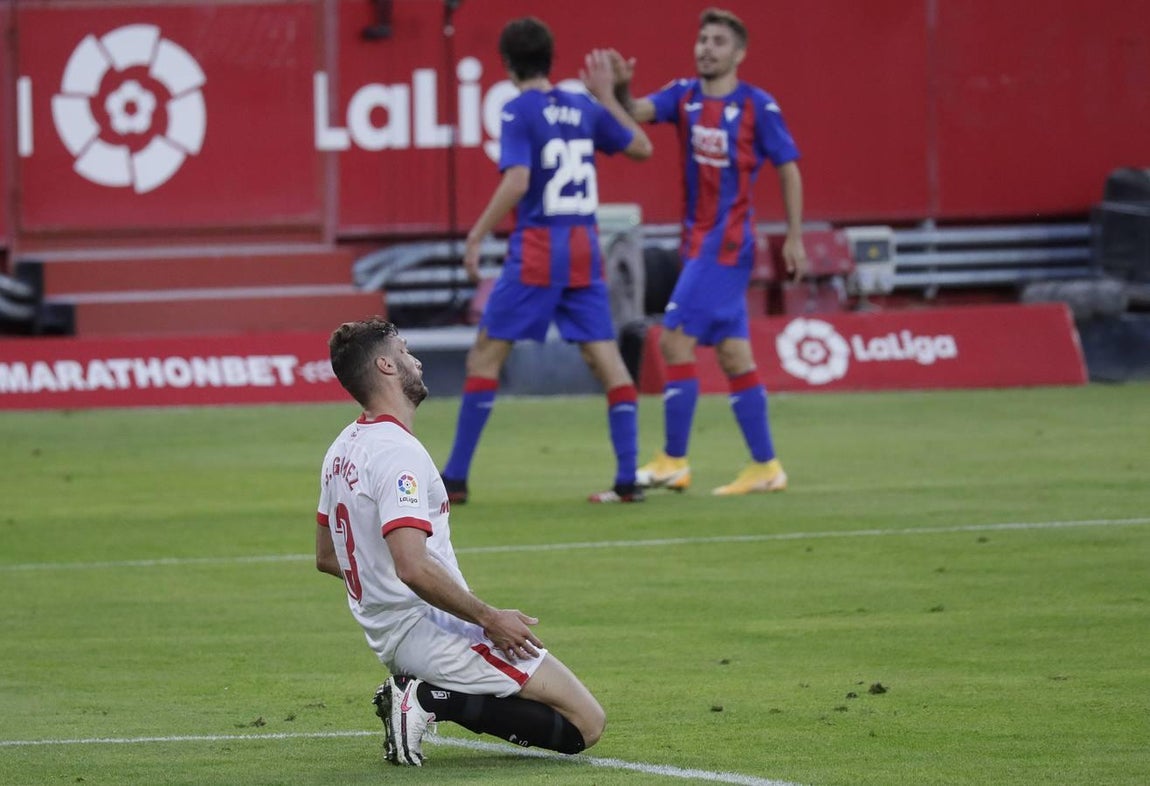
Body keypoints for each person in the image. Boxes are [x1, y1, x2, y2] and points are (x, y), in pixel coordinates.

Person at [316, 318, 606, 767]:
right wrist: (490, 618)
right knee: (586, 724)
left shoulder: (341, 449)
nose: (416, 360)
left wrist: (380, 585)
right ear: (385, 365)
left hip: (391, 634)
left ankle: (422, 693)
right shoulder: (398, 452)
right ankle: (430, 699)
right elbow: (411, 567)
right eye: (406, 350)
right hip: (433, 627)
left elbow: (327, 555)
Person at [441, 17, 653, 505]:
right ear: (551, 59)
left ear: (508, 64)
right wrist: (609, 97)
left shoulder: (519, 110)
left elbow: (517, 180)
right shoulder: (583, 105)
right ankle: (627, 480)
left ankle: (455, 478)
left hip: (540, 247)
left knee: (487, 356)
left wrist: (475, 236)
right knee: (607, 361)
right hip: (584, 246)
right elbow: (642, 146)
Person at [610, 7, 809, 496]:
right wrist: (618, 90)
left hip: (728, 243)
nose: (706, 48)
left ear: (739, 53)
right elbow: (635, 112)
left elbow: (788, 167)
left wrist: (796, 236)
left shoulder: (758, 106)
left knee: (674, 341)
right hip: (697, 243)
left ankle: (673, 459)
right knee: (734, 354)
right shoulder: (685, 96)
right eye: (702, 40)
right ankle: (766, 466)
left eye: (718, 42)